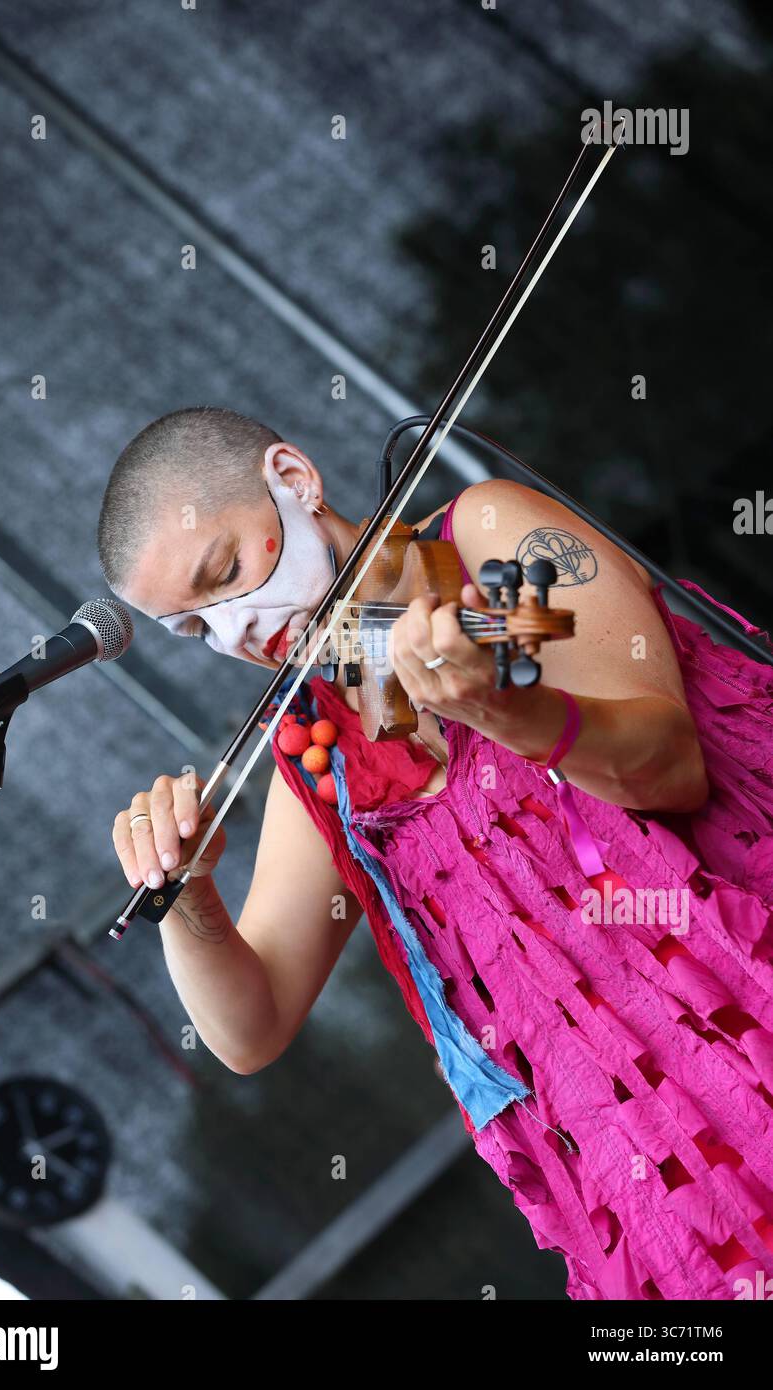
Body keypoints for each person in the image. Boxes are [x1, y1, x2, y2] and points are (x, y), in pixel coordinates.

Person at [98, 405, 773, 1301]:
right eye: (194, 629)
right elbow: (249, 1028)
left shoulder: (485, 540)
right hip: (651, 1132)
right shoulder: (318, 750)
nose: (237, 634)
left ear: (293, 482)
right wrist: (188, 900)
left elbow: (669, 768)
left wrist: (505, 709)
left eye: (224, 575)